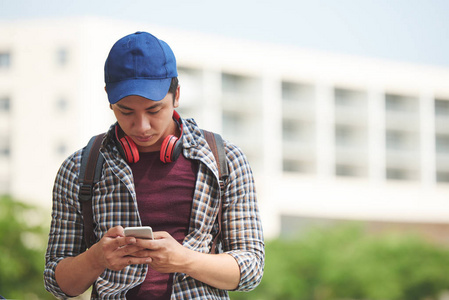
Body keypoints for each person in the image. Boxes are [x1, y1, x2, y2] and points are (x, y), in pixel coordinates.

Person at [44, 31, 264, 299]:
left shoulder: (224, 160)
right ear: (109, 99)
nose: (142, 126)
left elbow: (251, 269)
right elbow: (58, 283)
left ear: (177, 95)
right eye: (126, 111)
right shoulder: (79, 168)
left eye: (154, 110)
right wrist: (96, 258)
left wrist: (184, 259)